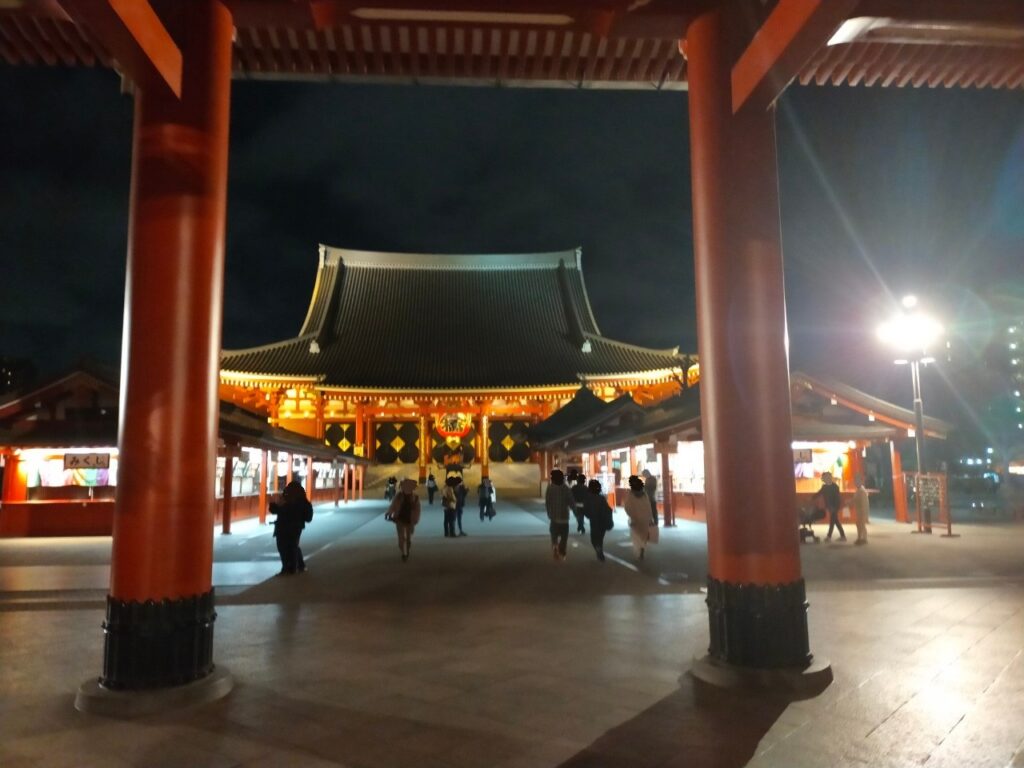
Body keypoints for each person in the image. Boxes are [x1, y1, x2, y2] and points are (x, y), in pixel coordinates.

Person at [269, 480, 313, 575]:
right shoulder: (304, 502)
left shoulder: (285, 499)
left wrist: (273, 503)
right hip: (296, 527)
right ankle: (296, 566)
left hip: (282, 527)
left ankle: (288, 568)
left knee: (283, 547)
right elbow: (308, 518)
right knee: (293, 546)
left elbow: (274, 510)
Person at [387, 478, 421, 562]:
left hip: (410, 519)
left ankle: (407, 549)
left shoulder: (415, 497)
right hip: (399, 518)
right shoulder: (398, 496)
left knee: (408, 538)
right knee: (401, 537)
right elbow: (393, 505)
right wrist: (389, 513)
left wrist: (415, 519)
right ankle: (404, 552)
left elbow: (417, 510)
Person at [545, 469, 574, 560]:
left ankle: (555, 546)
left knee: (554, 535)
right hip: (564, 518)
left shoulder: (550, 488)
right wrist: (575, 510)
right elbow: (571, 501)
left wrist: (549, 512)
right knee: (564, 536)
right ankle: (562, 548)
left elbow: (547, 502)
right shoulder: (566, 488)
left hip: (554, 517)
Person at [583, 478, 614, 561]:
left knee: (594, 539)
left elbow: (585, 510)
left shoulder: (588, 498)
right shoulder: (601, 498)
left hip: (594, 521)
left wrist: (588, 516)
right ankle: (600, 550)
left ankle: (598, 549)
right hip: (603, 521)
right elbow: (608, 509)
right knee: (600, 538)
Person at [624, 475, 652, 560]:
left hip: (635, 519)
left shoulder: (630, 495)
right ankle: (642, 550)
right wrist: (650, 517)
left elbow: (627, 507)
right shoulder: (644, 494)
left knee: (636, 535)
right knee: (643, 535)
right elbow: (648, 506)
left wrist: (632, 516)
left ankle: (639, 550)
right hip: (645, 518)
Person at [814, 471, 846, 542]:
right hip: (830, 506)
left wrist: (834, 508)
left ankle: (829, 536)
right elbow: (818, 493)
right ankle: (843, 536)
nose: (823, 479)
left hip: (834, 507)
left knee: (832, 521)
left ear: (829, 478)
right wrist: (811, 498)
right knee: (835, 521)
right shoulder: (824, 487)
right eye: (823, 478)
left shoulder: (835, 487)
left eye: (824, 478)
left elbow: (837, 498)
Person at [853, 473, 869, 545]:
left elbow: (864, 504)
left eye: (857, 481)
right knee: (859, 525)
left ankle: (862, 539)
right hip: (859, 511)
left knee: (861, 525)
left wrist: (864, 513)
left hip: (862, 511)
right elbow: (855, 499)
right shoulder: (859, 490)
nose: (856, 482)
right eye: (855, 481)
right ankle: (862, 538)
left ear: (861, 482)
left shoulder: (862, 491)